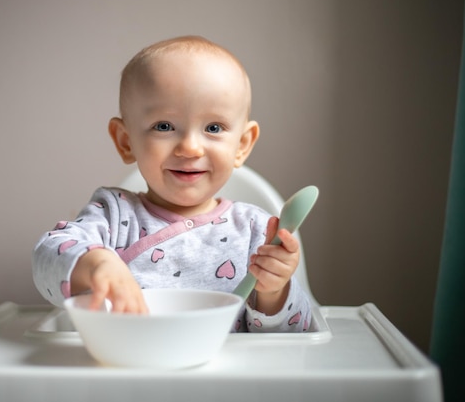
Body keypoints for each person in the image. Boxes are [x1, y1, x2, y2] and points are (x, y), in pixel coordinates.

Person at [32, 35, 311, 332]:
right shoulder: (113, 214)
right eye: (164, 126)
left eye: (213, 128)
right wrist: (97, 263)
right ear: (126, 142)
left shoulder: (258, 232)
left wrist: (273, 293)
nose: (190, 148)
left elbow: (294, 341)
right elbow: (48, 257)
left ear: (242, 145)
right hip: (129, 369)